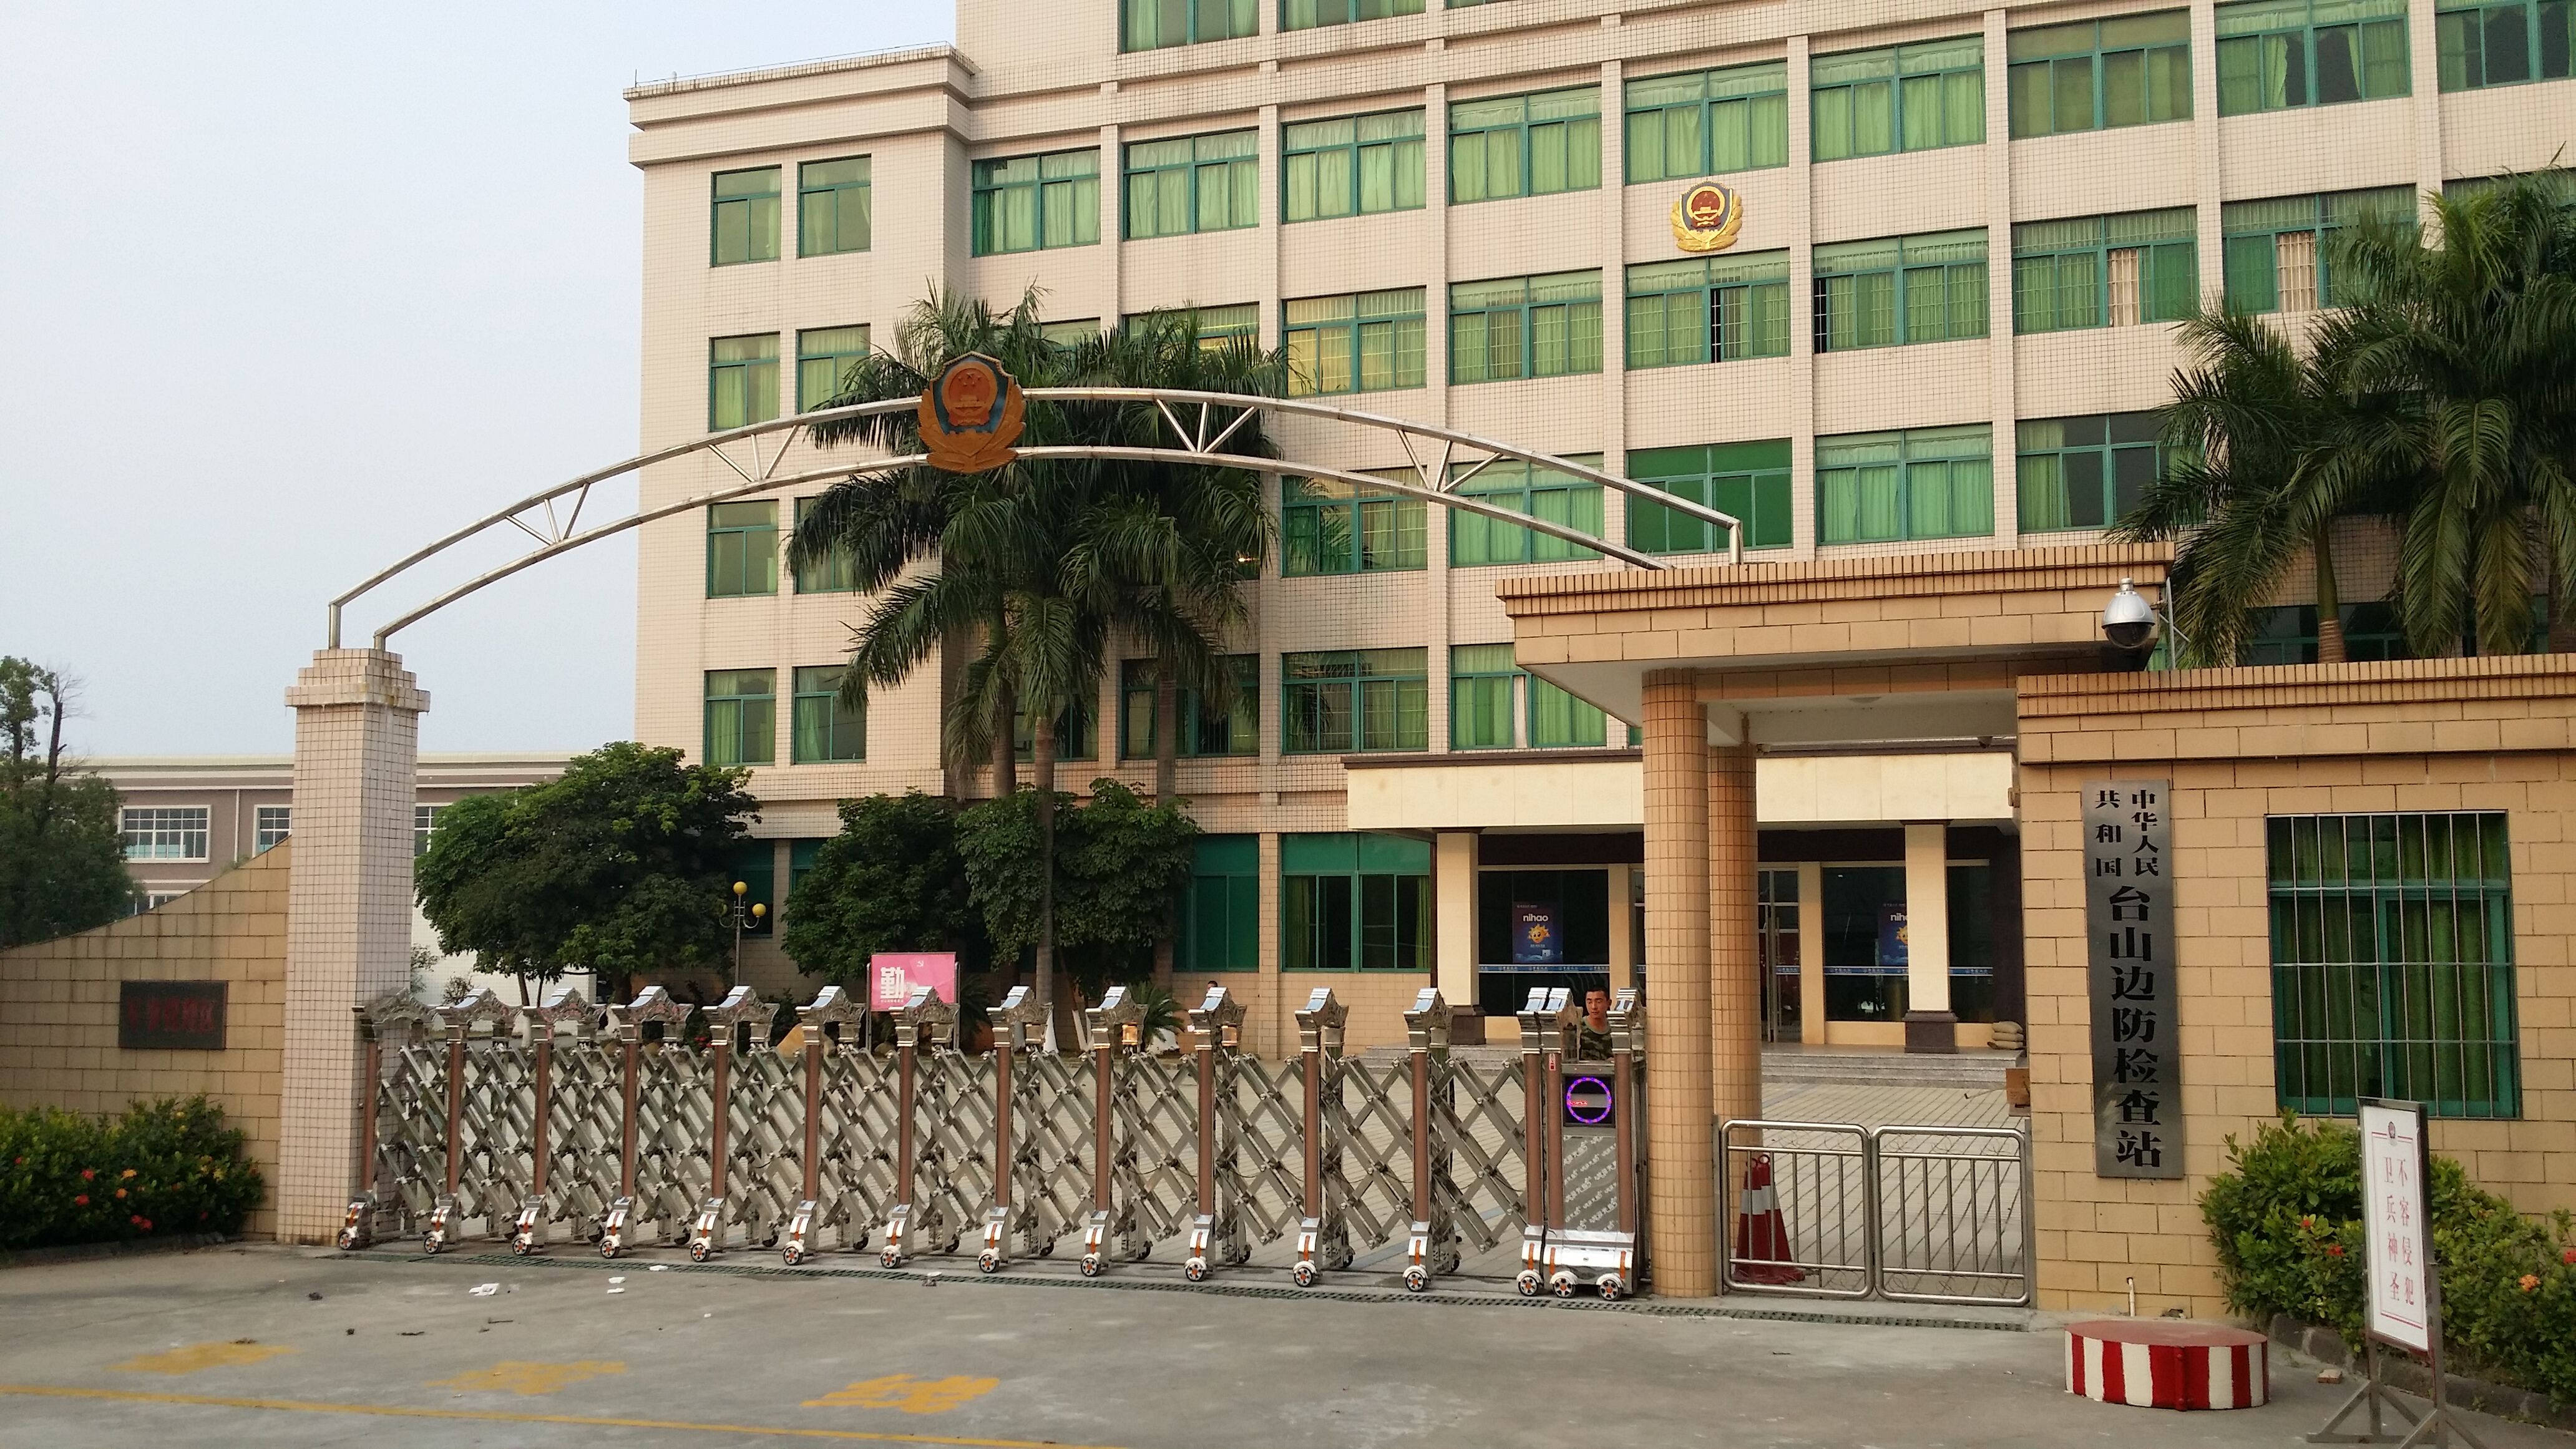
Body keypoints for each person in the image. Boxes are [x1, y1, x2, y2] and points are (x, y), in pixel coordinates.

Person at [1576, 985, 1614, 1060]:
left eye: (1599, 1002)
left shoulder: (1615, 1029)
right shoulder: (1578, 1028)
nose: (1594, 1007)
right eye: (1589, 1002)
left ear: (1609, 1003)